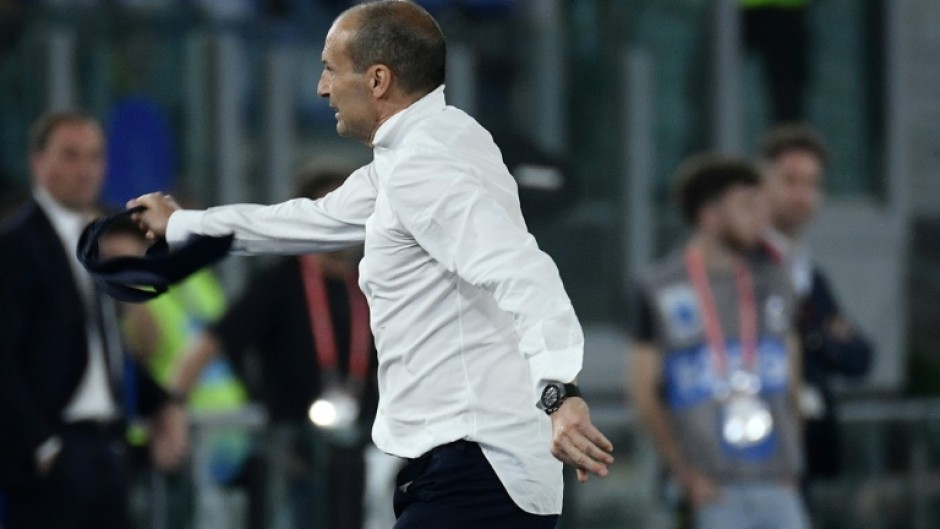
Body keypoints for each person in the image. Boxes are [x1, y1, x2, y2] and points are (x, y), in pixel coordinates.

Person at [129, 2, 613, 528]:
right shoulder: (429, 148)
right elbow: (307, 221)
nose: (321, 87)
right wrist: (181, 226)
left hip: (476, 467)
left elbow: (524, 271)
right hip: (465, 468)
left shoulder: (424, 165)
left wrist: (559, 390)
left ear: (378, 79)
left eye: (331, 69)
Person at [0, 109, 188, 529]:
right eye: (70, 155)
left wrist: (163, 404)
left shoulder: (95, 244)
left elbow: (100, 345)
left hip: (109, 450)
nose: (85, 170)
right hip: (55, 454)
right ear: (37, 162)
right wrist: (41, 446)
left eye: (94, 156)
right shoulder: (15, 248)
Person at [171, 167, 377, 529]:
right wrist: (171, 404)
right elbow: (215, 340)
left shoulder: (370, 283)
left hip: (354, 453)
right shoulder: (279, 282)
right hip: (289, 455)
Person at [631, 154, 809, 529]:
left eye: (762, 207)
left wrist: (793, 464)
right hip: (714, 490)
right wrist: (685, 476)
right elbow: (645, 394)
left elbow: (792, 378)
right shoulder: (660, 288)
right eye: (746, 206)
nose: (761, 219)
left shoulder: (776, 281)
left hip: (778, 484)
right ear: (708, 215)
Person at [759, 123, 872, 492]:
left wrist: (812, 338)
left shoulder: (810, 273)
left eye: (812, 183)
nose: (802, 194)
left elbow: (860, 358)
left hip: (811, 455)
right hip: (758, 457)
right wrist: (823, 335)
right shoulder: (746, 267)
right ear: (763, 185)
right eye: (790, 181)